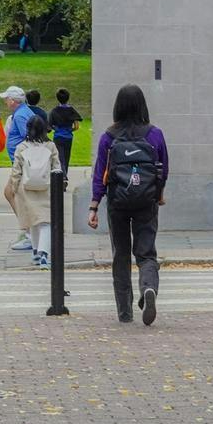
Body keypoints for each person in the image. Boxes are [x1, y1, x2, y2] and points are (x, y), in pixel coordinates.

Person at [89, 84, 170, 325]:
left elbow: (99, 174)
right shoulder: (155, 135)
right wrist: (159, 194)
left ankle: (125, 312)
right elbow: (163, 170)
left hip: (117, 202)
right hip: (146, 201)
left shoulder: (108, 137)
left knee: (120, 256)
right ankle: (149, 288)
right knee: (146, 253)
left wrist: (94, 206)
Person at [10, 117, 61, 267]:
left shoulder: (22, 147)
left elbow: (16, 171)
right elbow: (57, 167)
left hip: (26, 188)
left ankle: (35, 251)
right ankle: (44, 253)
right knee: (46, 222)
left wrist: (14, 188)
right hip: (47, 187)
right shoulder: (50, 146)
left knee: (32, 221)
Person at [0, 86, 34, 250]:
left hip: (21, 163)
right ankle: (27, 230)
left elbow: (28, 138)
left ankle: (28, 232)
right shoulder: (24, 112)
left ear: (12, 101)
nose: (5, 102)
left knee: (14, 194)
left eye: (6, 99)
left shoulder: (19, 116)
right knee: (12, 193)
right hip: (21, 162)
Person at [48, 88, 83, 173]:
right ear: (68, 98)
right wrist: (70, 130)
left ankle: (62, 177)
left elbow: (50, 125)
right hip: (68, 137)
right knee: (67, 158)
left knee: (60, 158)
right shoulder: (71, 111)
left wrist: (56, 129)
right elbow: (76, 126)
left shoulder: (54, 111)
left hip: (58, 137)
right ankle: (65, 174)